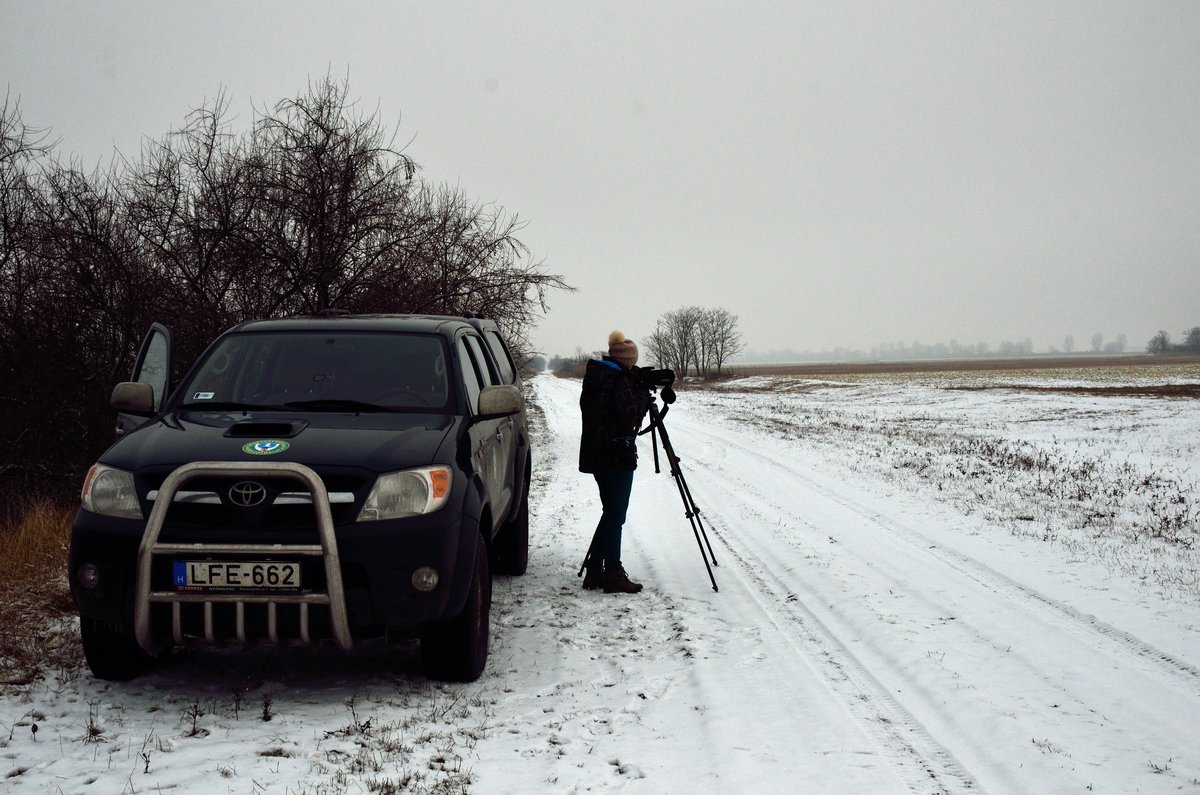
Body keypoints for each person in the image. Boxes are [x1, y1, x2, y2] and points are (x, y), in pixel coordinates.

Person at [578, 330, 653, 593]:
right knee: (616, 515)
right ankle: (613, 573)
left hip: (597, 454)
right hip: (616, 455)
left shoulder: (599, 376)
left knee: (610, 512)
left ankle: (595, 570)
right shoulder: (619, 380)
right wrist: (643, 392)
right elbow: (629, 416)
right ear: (628, 360)